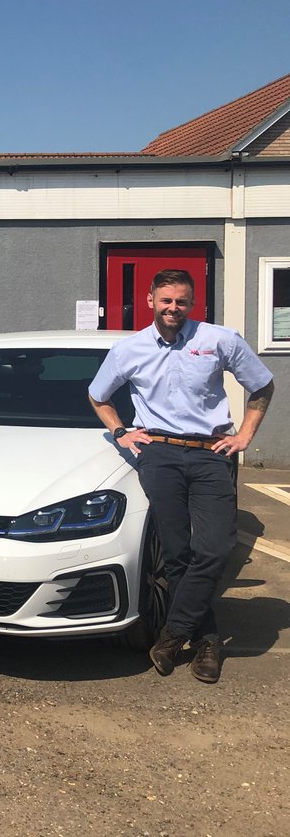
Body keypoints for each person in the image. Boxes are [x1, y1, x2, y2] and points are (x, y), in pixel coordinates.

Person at [89, 269, 274, 683]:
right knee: (177, 554)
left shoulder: (220, 340)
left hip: (211, 453)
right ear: (151, 300)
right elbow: (98, 395)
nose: (173, 308)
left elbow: (262, 385)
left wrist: (245, 435)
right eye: (166, 300)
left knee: (216, 547)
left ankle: (172, 635)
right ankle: (207, 642)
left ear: (193, 303)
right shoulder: (128, 349)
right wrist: (120, 431)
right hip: (158, 455)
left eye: (182, 301)